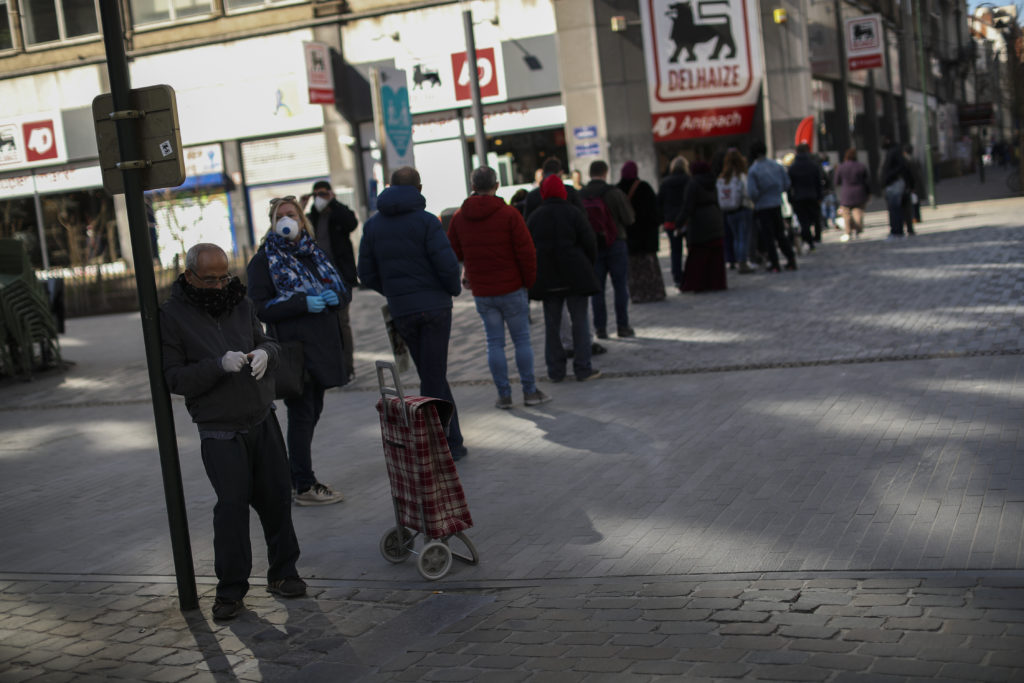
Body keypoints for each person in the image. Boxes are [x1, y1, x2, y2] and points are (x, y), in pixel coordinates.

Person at [161, 243, 305, 621]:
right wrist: (217, 366)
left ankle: (284, 573)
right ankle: (230, 590)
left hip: (261, 416)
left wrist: (266, 355)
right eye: (210, 279)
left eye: (224, 276)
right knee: (231, 509)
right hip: (220, 429)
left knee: (276, 499)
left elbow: (266, 341)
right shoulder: (172, 316)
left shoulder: (239, 302)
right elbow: (173, 377)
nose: (219, 284)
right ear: (190, 275)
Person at [358, 167, 467, 460]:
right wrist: (452, 289)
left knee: (431, 374)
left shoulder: (373, 226)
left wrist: (394, 292)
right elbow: (446, 264)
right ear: (419, 188)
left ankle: (453, 440)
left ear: (390, 186)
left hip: (403, 310)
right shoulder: (427, 222)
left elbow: (365, 274)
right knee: (433, 377)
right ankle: (442, 443)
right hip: (434, 308)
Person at [247, 196, 349, 506]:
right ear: (273, 223)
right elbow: (260, 308)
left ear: (302, 219)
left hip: (324, 347)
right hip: (295, 350)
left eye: (291, 214)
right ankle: (303, 484)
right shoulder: (264, 260)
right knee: (302, 414)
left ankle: (298, 477)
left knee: (312, 411)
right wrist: (301, 303)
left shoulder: (314, 253)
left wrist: (336, 297)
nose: (287, 220)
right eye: (280, 217)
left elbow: (341, 289)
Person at [447, 166, 549, 409]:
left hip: (484, 291)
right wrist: (528, 282)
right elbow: (527, 253)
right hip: (512, 287)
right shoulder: (509, 214)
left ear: (473, 187)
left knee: (494, 343)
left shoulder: (460, 218)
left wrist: (469, 271)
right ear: (497, 185)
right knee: (522, 341)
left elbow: (454, 252)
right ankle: (530, 391)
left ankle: (504, 395)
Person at [527, 174, 602, 382]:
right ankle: (583, 368)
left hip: (548, 279)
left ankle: (556, 371)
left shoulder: (535, 217)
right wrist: (587, 264)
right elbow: (590, 242)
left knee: (552, 326)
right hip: (576, 276)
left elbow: (528, 249)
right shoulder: (574, 213)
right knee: (580, 322)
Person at [304, 180, 359, 381]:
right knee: (325, 325)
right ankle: (332, 367)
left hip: (340, 278)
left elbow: (351, 224)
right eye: (316, 193)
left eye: (323, 193)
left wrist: (333, 203)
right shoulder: (312, 217)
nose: (320, 197)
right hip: (316, 280)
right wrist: (303, 206)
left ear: (330, 193)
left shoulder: (338, 213)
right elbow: (299, 229)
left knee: (342, 322)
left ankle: (347, 367)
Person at [581, 160, 636, 338]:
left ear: (589, 173)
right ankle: (622, 326)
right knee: (620, 286)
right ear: (605, 172)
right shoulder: (614, 192)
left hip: (593, 247)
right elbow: (629, 219)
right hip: (616, 243)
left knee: (598, 289)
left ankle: (601, 328)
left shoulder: (581, 194)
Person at [616, 161, 666, 303]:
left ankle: (637, 294)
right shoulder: (644, 187)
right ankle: (654, 292)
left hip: (629, 236)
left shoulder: (618, 190)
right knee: (648, 266)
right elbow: (654, 212)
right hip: (646, 236)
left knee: (634, 268)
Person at [677, 160, 727, 292]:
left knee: (698, 255)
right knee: (715, 255)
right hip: (715, 218)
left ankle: (698, 283)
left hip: (700, 222)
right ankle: (716, 282)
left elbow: (687, 206)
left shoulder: (693, 184)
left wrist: (679, 222)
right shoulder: (713, 182)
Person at [747, 141, 797, 272]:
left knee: (768, 235)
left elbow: (752, 192)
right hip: (776, 203)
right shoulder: (776, 166)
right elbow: (786, 184)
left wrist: (759, 197)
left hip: (762, 206)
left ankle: (774, 263)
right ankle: (791, 259)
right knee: (780, 233)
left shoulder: (754, 170)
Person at [716, 148, 755, 274]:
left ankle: (736, 260)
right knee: (743, 236)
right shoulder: (741, 176)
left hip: (729, 210)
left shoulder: (723, 177)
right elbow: (748, 192)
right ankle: (742, 262)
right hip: (743, 208)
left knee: (736, 237)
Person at [658, 155, 690, 289]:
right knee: (690, 248)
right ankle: (690, 275)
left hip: (671, 221)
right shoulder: (689, 180)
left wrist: (662, 219)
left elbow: (659, 202)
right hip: (687, 220)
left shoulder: (665, 182)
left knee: (675, 251)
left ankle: (677, 276)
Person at [787, 143, 825, 252]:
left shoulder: (793, 167)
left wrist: (791, 199)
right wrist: (820, 196)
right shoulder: (813, 165)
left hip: (799, 197)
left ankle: (808, 240)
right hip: (812, 196)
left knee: (804, 221)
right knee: (815, 217)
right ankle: (816, 237)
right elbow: (818, 183)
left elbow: (789, 186)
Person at [834, 147, 870, 242]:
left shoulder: (841, 167)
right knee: (858, 212)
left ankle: (848, 231)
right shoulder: (861, 166)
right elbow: (867, 181)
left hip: (846, 193)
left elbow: (836, 181)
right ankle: (858, 230)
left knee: (846, 214)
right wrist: (868, 192)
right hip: (859, 192)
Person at [879, 139, 912, 240]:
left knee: (894, 209)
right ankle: (897, 230)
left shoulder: (894, 153)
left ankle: (896, 231)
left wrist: (889, 177)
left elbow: (902, 167)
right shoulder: (894, 153)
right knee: (895, 208)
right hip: (893, 182)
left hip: (894, 183)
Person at [903, 144, 923, 233]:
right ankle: (917, 217)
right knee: (916, 202)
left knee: (910, 203)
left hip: (910, 184)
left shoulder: (906, 160)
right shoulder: (915, 159)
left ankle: (912, 219)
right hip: (916, 183)